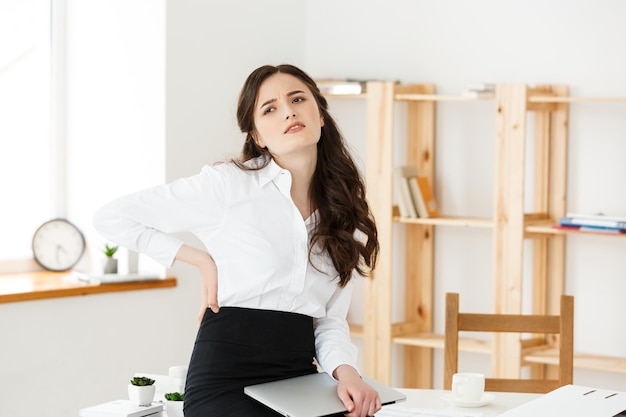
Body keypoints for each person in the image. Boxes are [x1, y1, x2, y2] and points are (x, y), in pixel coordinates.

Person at [93, 64, 381, 417]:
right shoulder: (227, 187)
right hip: (225, 377)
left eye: (297, 99)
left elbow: (328, 320)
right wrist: (199, 259)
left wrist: (347, 374)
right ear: (257, 136)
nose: (288, 110)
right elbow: (111, 217)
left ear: (320, 114)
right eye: (270, 108)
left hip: (297, 378)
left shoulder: (342, 214)